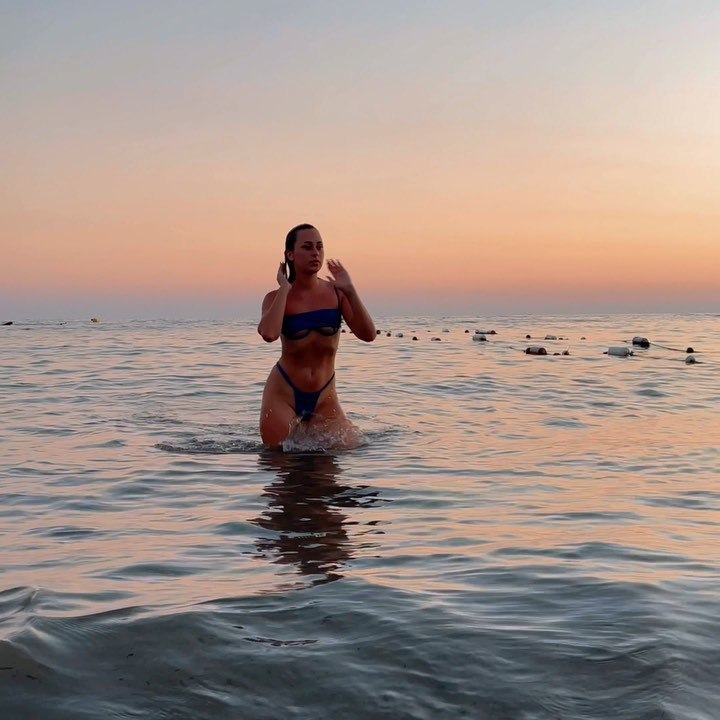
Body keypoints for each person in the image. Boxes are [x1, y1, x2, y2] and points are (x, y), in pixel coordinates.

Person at [257, 224, 376, 448]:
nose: (315, 253)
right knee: (278, 457)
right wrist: (284, 289)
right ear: (290, 254)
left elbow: (368, 335)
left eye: (319, 247)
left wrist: (350, 290)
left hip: (324, 396)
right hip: (283, 394)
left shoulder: (337, 294)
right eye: (307, 247)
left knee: (349, 449)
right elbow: (269, 334)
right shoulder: (274, 298)